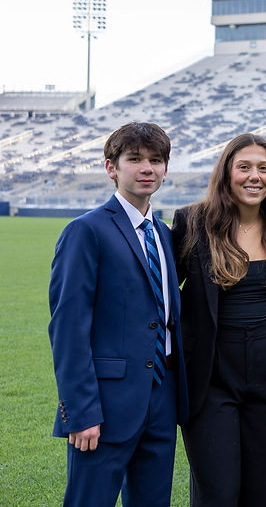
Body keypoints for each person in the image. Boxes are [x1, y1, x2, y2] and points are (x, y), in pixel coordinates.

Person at [48, 122, 188, 507]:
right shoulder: (85, 231)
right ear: (111, 167)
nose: (147, 168)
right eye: (135, 159)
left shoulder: (164, 234)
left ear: (165, 169)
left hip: (162, 398)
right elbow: (68, 328)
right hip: (105, 405)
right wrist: (81, 412)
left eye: (156, 160)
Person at [172, 133, 266, 507]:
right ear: (226, 172)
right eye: (244, 167)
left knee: (263, 493)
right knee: (219, 493)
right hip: (212, 379)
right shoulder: (193, 223)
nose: (254, 176)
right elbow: (162, 293)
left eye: (264, 168)